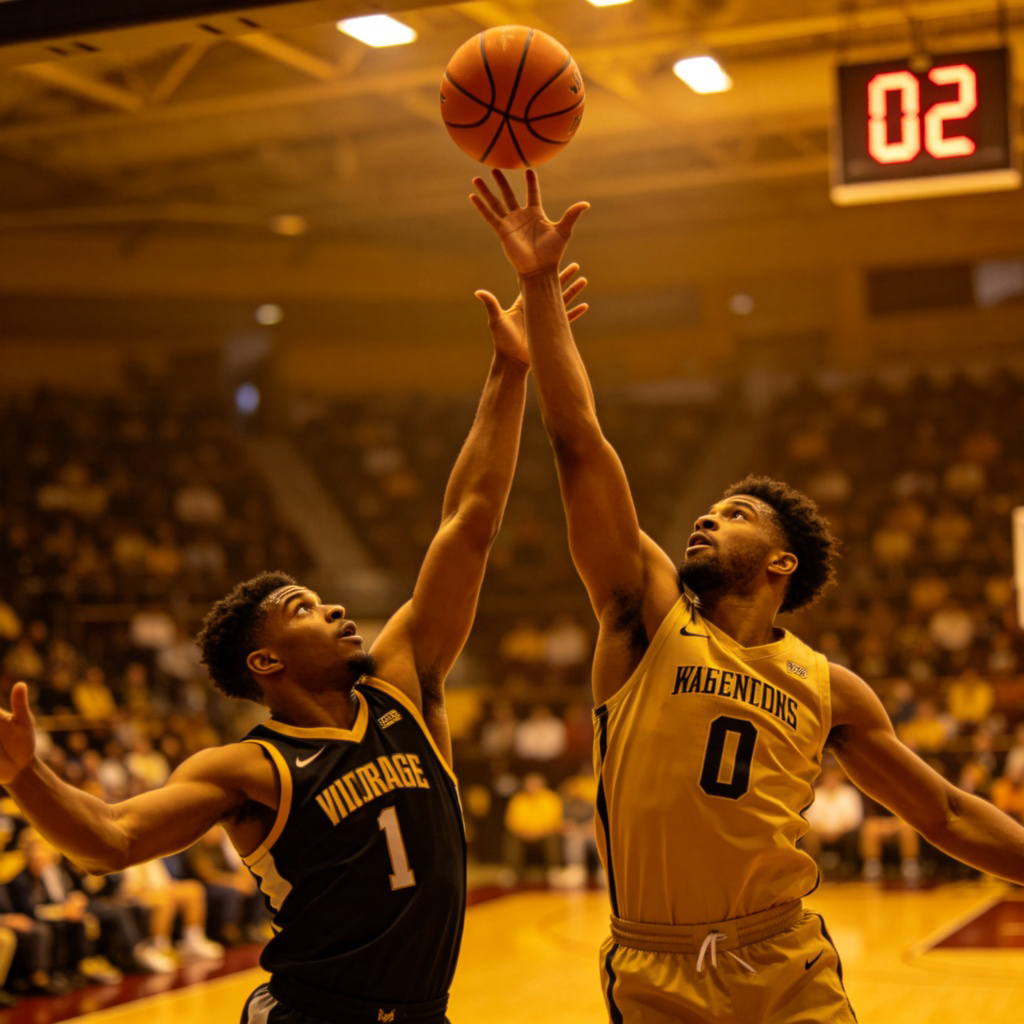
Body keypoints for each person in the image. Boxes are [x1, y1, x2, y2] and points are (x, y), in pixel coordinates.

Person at [470, 167, 1024, 1024]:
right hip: (654, 969)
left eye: (734, 515)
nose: (703, 517)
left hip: (784, 959)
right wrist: (539, 285)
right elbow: (579, 442)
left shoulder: (829, 686)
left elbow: (947, 812)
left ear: (781, 564)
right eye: (708, 507)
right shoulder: (644, 614)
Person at [0, 271, 588, 1024]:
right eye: (302, 607)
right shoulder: (249, 767)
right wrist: (24, 774)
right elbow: (110, 840)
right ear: (266, 663)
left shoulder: (403, 684)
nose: (336, 606)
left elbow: (470, 519)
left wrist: (510, 371)